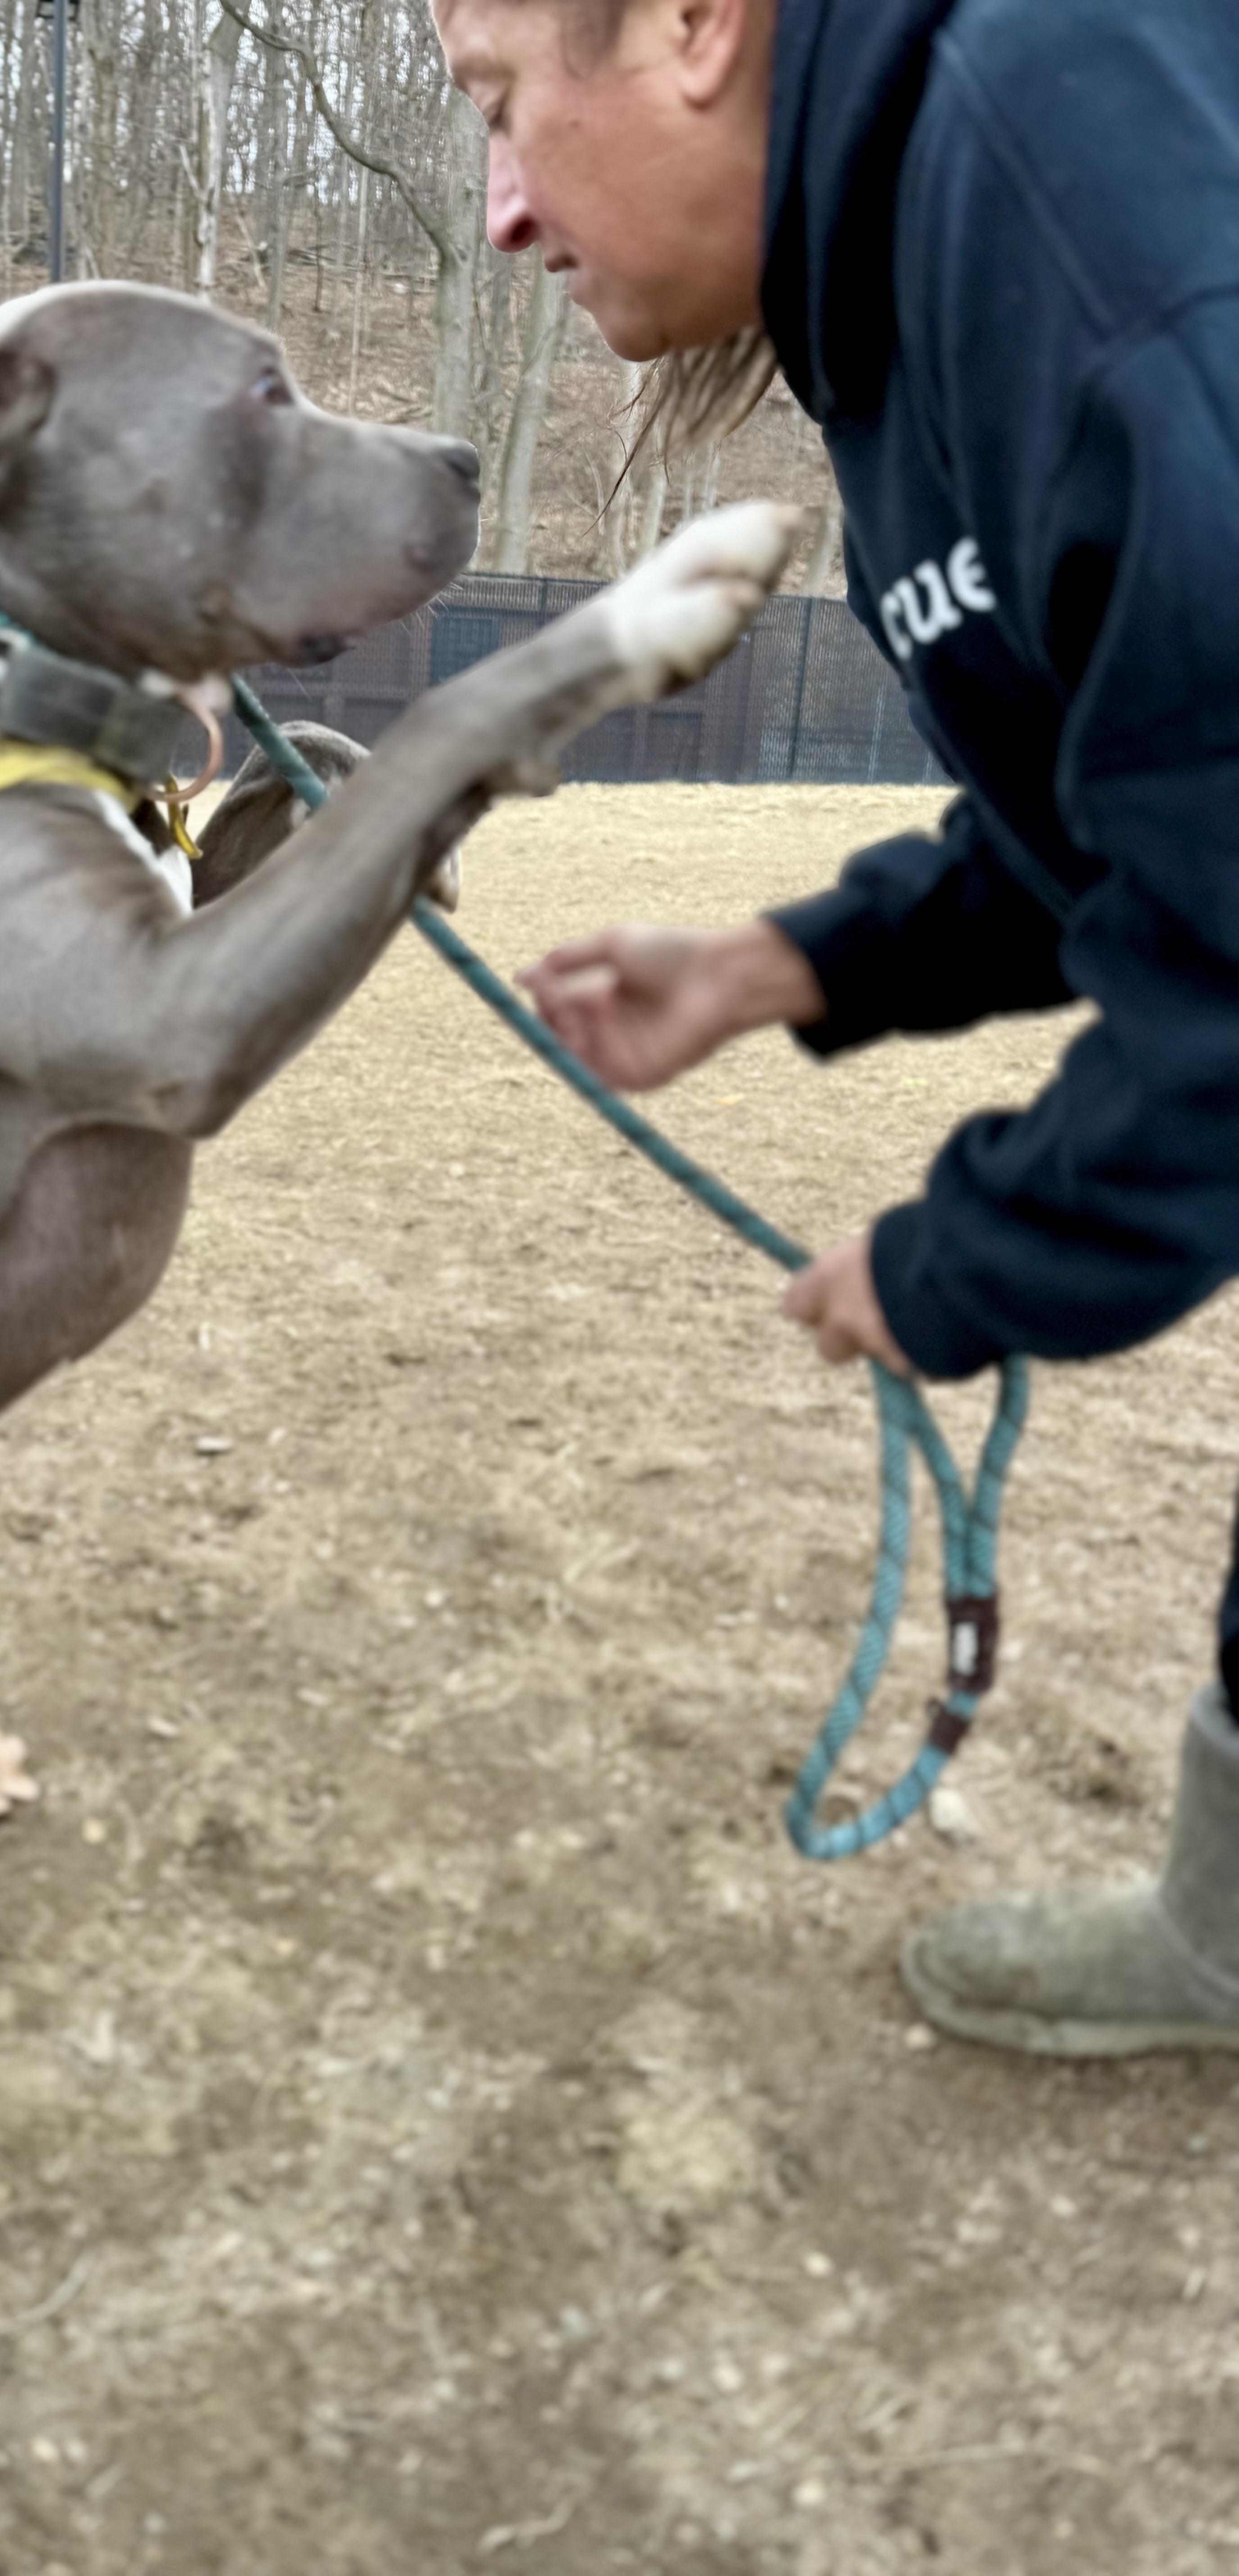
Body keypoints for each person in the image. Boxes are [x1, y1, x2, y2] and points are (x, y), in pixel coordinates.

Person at [433, 0, 1239, 2055]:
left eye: (503, 97)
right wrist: (789, 964)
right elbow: (1133, 799)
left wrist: (966, 1255)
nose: (507, 207)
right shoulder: (918, 253)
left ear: (696, 22)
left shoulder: (1073, 178)